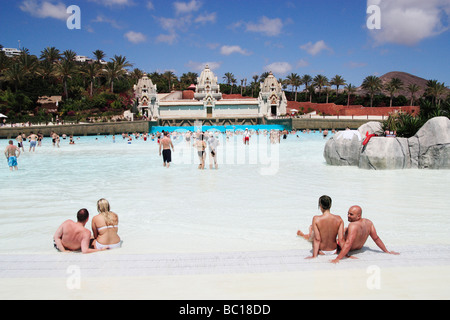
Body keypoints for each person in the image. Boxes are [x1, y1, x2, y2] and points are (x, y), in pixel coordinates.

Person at [331, 205, 399, 263]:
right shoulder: (369, 223)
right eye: (348, 213)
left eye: (351, 214)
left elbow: (348, 243)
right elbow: (376, 238)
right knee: (345, 229)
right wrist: (386, 251)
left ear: (359, 216)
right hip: (359, 247)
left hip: (347, 248)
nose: (348, 216)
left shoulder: (352, 225)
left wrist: (338, 258)